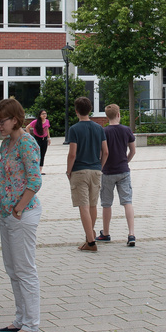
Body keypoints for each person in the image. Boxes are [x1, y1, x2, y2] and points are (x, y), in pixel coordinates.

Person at [0, 97, 44, 332]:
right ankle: (20, 319)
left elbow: (35, 181)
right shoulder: (6, 144)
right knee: (12, 268)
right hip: (6, 212)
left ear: (15, 119)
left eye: (2, 121)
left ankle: (31, 324)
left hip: (23, 213)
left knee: (24, 268)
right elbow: (8, 180)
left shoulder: (27, 143)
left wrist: (19, 208)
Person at [66, 96, 107, 251]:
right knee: (92, 204)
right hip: (96, 170)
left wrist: (68, 170)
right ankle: (90, 235)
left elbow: (72, 154)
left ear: (76, 111)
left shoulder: (74, 129)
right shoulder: (99, 128)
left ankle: (90, 242)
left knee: (83, 206)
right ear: (90, 110)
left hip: (79, 171)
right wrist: (100, 166)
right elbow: (106, 151)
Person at [97, 104, 137, 246]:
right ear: (119, 114)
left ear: (106, 117)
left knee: (106, 203)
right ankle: (131, 234)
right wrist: (126, 161)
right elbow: (133, 150)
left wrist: (101, 165)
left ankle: (106, 233)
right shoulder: (126, 130)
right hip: (123, 171)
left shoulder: (103, 131)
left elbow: (102, 152)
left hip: (108, 171)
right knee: (127, 201)